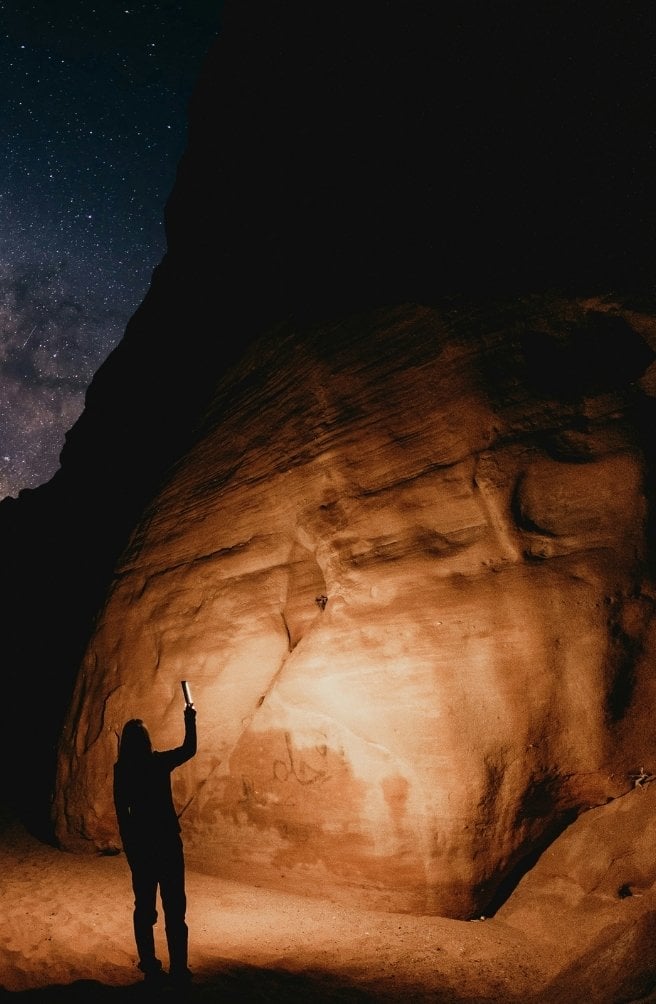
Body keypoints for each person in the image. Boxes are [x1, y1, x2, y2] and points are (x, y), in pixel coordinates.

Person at [113, 700, 197, 987]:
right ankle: (179, 969)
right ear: (147, 740)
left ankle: (149, 963)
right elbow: (189, 749)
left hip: (142, 847)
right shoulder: (158, 762)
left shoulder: (122, 769)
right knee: (175, 909)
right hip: (168, 844)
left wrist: (131, 852)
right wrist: (189, 717)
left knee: (145, 909)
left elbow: (122, 815)